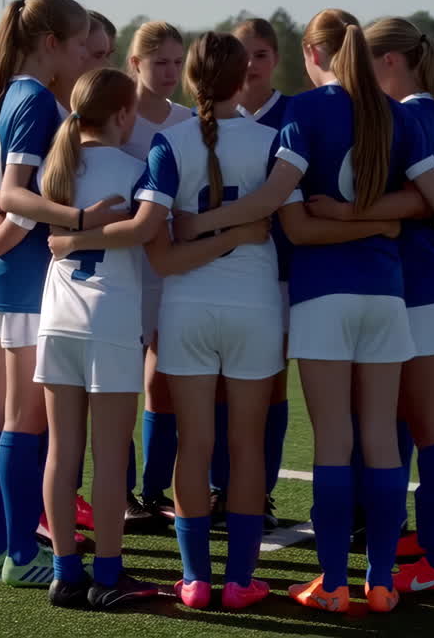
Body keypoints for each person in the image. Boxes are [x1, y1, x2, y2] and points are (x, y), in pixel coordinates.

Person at [174, 8, 434, 613]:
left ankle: (331, 582)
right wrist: (377, 218)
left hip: (322, 295)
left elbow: (287, 215)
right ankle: (379, 581)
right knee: (381, 439)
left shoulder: (302, 112)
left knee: (334, 439)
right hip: (385, 295)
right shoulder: (396, 114)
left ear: (314, 56)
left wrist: (205, 222)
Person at [309, 16, 434, 593]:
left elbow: (425, 202)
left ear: (387, 61)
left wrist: (339, 213)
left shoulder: (411, 114)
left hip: (425, 280)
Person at [134, 32, 281, 610]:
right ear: (244, 75)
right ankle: (241, 581)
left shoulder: (168, 144)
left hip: (187, 308)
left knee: (192, 445)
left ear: (191, 79)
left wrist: (212, 232)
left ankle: (195, 580)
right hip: (256, 308)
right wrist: (240, 234)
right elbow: (286, 227)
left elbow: (163, 256)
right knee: (245, 447)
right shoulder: (275, 140)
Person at [0, 0, 93, 588]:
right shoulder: (37, 100)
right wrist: (24, 224)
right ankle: (21, 555)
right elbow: (13, 192)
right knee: (24, 419)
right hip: (19, 276)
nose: (84, 57)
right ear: (52, 45)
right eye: (79, 46)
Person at [36, 68, 163, 609]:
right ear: (122, 115)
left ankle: (65, 574)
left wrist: (72, 238)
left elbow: (49, 237)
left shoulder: (57, 167)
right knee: (110, 459)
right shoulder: (138, 168)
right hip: (109, 322)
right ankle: (108, 576)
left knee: (62, 454)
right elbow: (153, 238)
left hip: (57, 318)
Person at [207, 18, 293, 530]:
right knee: (218, 383)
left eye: (260, 54)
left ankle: (259, 489)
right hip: (216, 273)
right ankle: (221, 488)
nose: (251, 65)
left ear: (275, 59)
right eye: (242, 54)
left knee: (272, 385)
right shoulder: (209, 120)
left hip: (276, 270)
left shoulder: (293, 115)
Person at [117, 20, 193, 525]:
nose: (169, 72)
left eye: (176, 61)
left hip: (173, 270)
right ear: (135, 64)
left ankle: (155, 490)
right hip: (123, 268)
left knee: (164, 379)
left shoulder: (189, 121)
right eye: (159, 61)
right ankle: (121, 494)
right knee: (120, 383)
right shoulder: (113, 121)